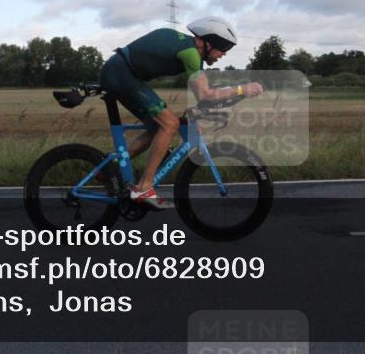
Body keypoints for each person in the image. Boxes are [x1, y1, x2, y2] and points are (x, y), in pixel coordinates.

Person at [99, 16, 263, 209]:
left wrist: (200, 113)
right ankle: (143, 188)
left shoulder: (190, 50)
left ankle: (108, 169)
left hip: (121, 72)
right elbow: (205, 94)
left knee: (157, 127)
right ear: (209, 43)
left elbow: (200, 98)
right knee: (169, 124)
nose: (223, 55)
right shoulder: (190, 53)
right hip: (120, 73)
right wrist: (242, 90)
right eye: (223, 49)